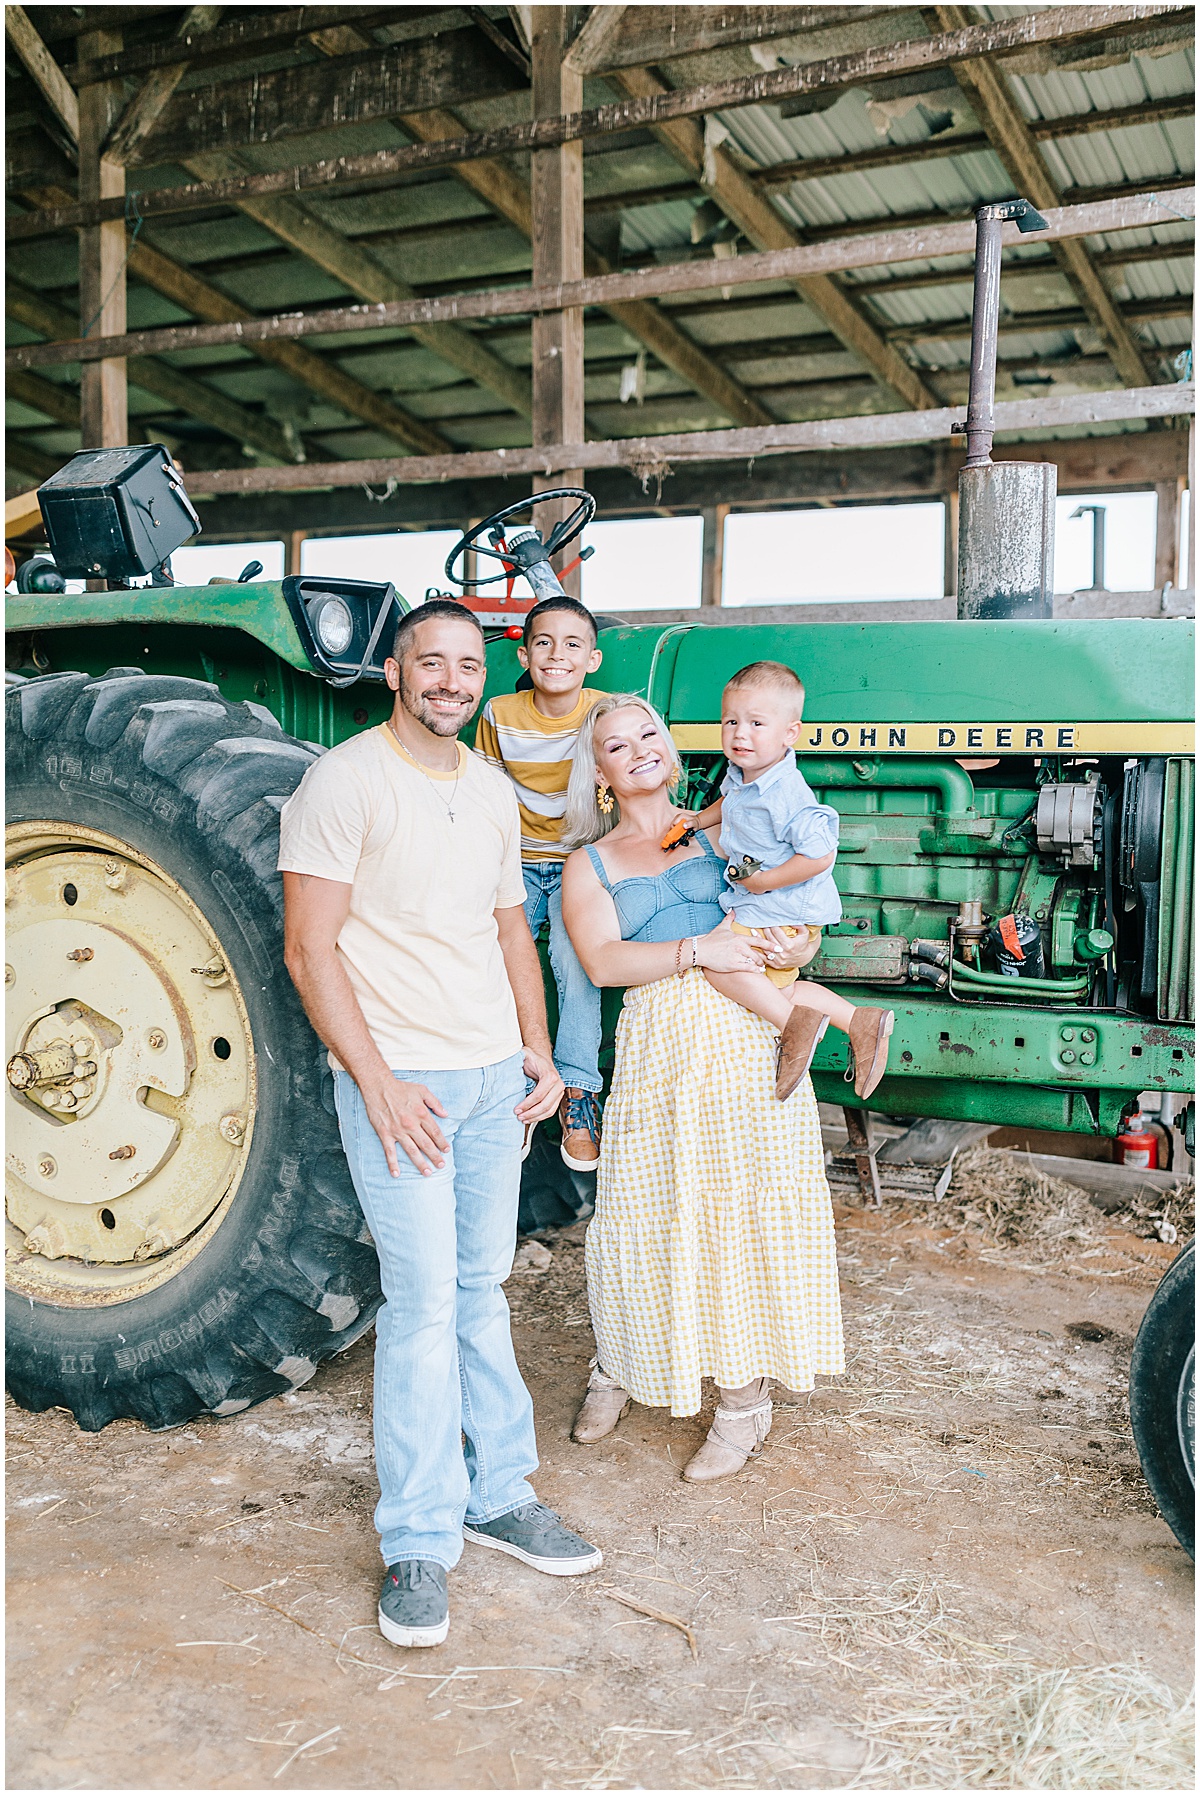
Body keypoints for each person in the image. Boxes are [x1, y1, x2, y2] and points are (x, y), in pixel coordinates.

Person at [279, 600, 603, 1653]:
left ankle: (497, 1492)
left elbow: (512, 926)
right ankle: (417, 1537)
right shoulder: (346, 780)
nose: (451, 681)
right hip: (404, 1084)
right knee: (419, 1306)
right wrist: (371, 1080)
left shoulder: (494, 790)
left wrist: (541, 1050)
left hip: (487, 1083)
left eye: (468, 665)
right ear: (395, 672)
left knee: (480, 1288)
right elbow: (308, 948)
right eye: (432, 663)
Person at [560, 693, 845, 1482]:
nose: (638, 748)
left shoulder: (724, 828)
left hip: (748, 1042)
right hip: (659, 1044)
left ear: (672, 748)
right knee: (639, 1210)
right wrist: (696, 950)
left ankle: (744, 1403)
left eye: (649, 732)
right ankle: (621, 1363)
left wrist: (800, 936)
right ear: (602, 772)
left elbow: (790, 903)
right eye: (617, 744)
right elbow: (604, 964)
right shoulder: (592, 862)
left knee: (737, 1214)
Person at [702, 660, 894, 1102]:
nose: (739, 734)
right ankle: (859, 1021)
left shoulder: (786, 793)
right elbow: (728, 801)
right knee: (781, 987)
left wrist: (766, 881)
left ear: (790, 733)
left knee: (718, 961)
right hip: (767, 905)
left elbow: (820, 854)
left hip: (777, 907)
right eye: (730, 721)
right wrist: (696, 820)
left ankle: (795, 1027)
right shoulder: (744, 775)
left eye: (755, 723)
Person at [475, 596, 609, 1171]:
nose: (557, 655)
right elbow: (487, 794)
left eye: (572, 644)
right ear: (525, 654)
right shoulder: (499, 714)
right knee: (492, 960)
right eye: (544, 643)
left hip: (580, 862)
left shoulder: (606, 713)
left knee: (575, 958)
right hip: (518, 863)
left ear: (593, 659)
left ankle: (578, 1094)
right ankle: (506, 1087)